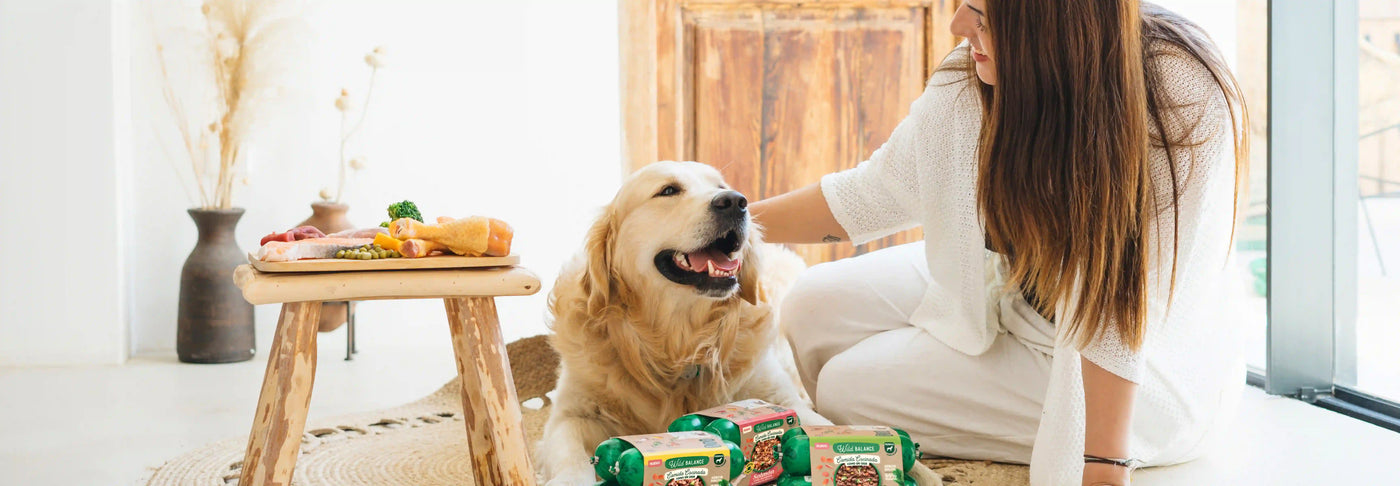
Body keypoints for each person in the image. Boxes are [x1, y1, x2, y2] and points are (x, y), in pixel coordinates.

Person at [750, 1, 1250, 485]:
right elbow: (872, 193)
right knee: (810, 304)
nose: (955, 24)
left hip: (1141, 368)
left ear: (1047, 24)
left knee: (846, 387)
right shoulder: (978, 70)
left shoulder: (1178, 95)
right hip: (1009, 285)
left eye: (982, 14)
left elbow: (1120, 309)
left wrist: (1102, 462)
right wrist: (725, 224)